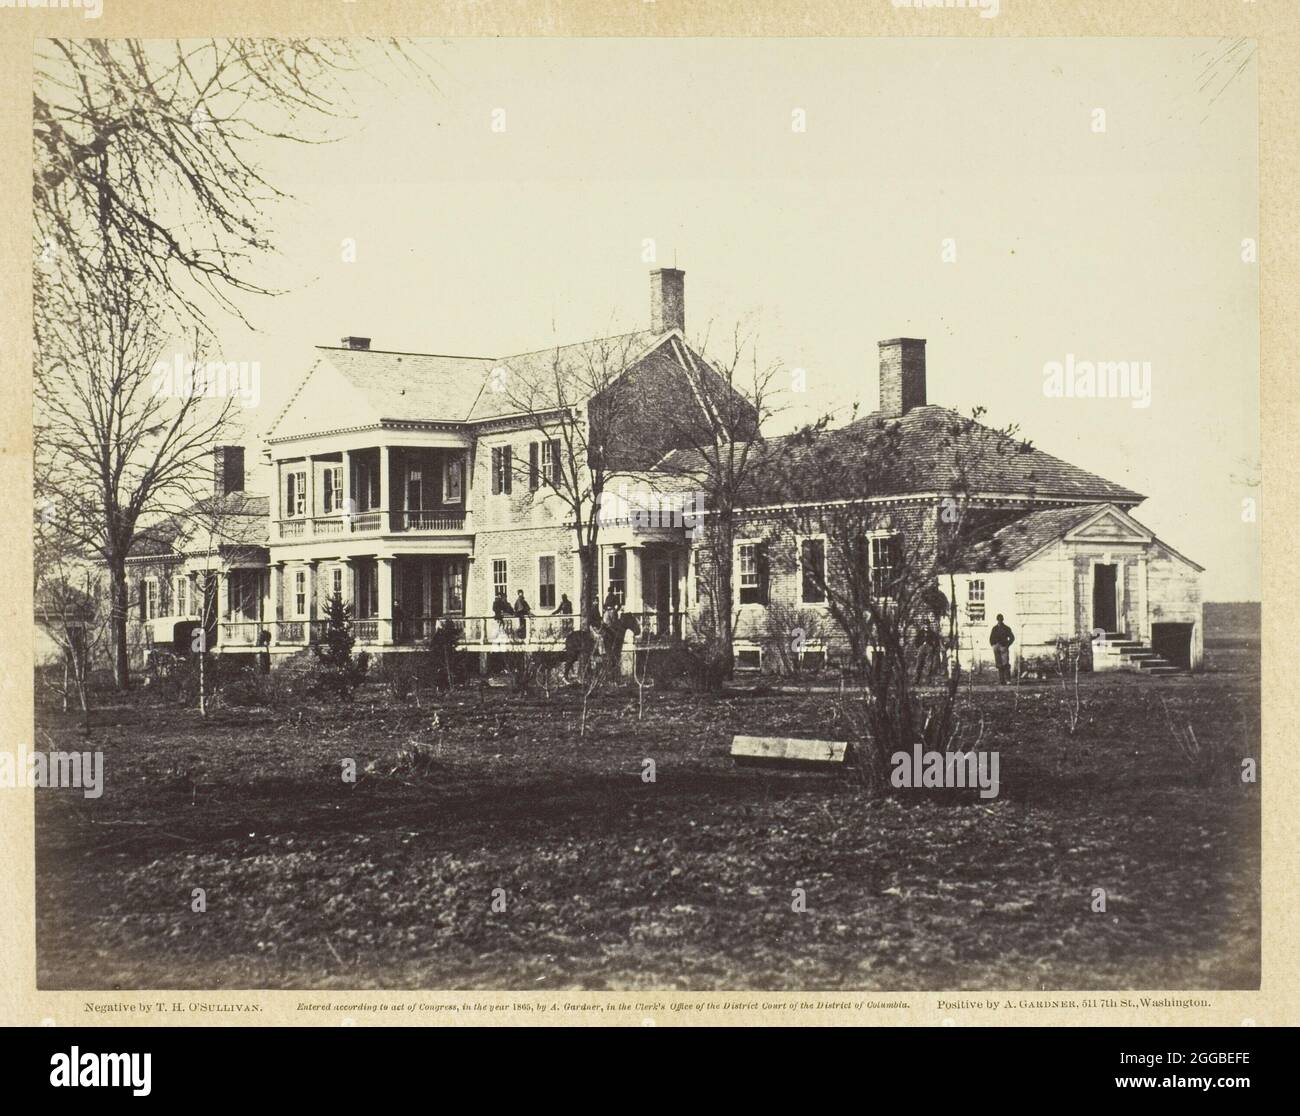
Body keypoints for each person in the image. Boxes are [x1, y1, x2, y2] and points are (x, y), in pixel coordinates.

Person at [989, 613, 1016, 684]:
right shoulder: (994, 628)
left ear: (1003, 620)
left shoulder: (1006, 628)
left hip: (1004, 647)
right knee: (999, 664)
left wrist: (1007, 645)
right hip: (996, 648)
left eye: (1001, 620)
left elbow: (1012, 638)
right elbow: (991, 638)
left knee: (1006, 664)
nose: (999, 621)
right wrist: (993, 645)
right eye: (998, 620)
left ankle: (1008, 680)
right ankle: (1002, 680)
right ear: (997, 620)